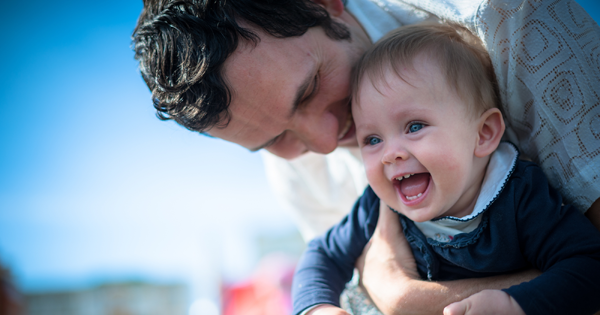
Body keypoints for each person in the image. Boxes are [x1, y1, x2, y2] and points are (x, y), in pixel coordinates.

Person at [131, 0, 600, 313]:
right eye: (275, 140)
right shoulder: (300, 176)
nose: (324, 141)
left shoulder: (513, 22)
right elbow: (325, 262)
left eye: (310, 89)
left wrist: (405, 298)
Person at [292, 23, 600, 315]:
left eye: (414, 126)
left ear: (483, 134)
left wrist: (517, 304)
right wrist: (316, 307)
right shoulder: (377, 205)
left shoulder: (519, 197)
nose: (390, 154)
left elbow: (589, 264)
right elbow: (323, 254)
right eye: (372, 139)